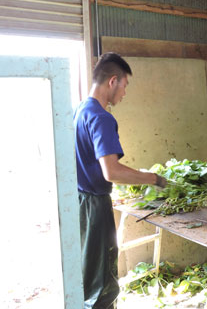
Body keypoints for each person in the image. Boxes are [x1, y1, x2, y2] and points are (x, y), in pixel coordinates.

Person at [73, 52, 167, 309]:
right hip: (95, 206)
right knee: (102, 284)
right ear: (113, 81)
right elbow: (111, 171)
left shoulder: (79, 110)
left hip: (79, 203)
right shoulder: (102, 118)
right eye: (125, 86)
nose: (124, 94)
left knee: (87, 275)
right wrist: (152, 178)